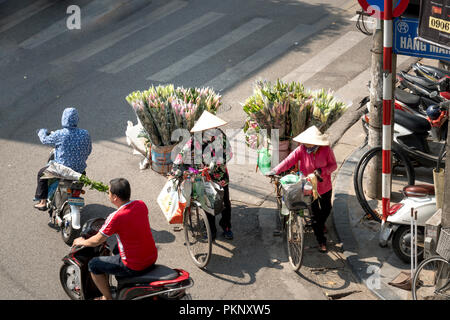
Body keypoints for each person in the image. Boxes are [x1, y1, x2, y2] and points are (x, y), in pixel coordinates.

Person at [72, 178, 158, 300]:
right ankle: (123, 284)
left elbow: (97, 240)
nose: (108, 194)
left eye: (109, 192)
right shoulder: (141, 204)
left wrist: (82, 241)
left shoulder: (115, 217)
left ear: (115, 197)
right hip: (151, 256)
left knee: (93, 265)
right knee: (116, 248)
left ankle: (107, 297)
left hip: (134, 265)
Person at [267, 126, 337, 253]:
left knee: (327, 209)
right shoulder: (301, 150)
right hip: (308, 187)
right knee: (315, 215)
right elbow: (288, 161)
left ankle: (320, 225)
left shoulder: (326, 150)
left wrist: (322, 171)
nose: (306, 144)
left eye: (308, 143)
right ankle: (321, 240)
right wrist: (275, 170)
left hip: (325, 186)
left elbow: (333, 165)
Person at [171, 111, 234, 240]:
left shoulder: (221, 136)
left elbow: (229, 153)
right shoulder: (195, 140)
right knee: (207, 203)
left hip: (220, 175)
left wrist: (215, 163)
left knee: (225, 202)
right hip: (203, 175)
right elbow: (182, 155)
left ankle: (226, 225)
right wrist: (176, 167)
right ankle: (211, 230)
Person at [34, 107, 92, 210]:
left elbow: (45, 140)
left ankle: (42, 202)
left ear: (63, 119)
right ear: (77, 119)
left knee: (41, 174)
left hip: (61, 171)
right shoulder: (85, 133)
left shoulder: (60, 134)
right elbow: (88, 151)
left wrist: (42, 131)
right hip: (80, 171)